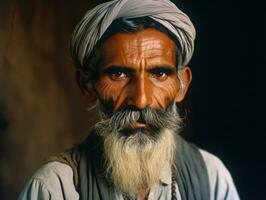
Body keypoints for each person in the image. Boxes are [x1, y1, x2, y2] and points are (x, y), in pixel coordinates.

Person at [19, 0, 240, 199]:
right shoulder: (55, 188)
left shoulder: (211, 178)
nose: (141, 100)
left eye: (159, 74)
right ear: (86, 85)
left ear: (181, 85)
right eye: (118, 74)